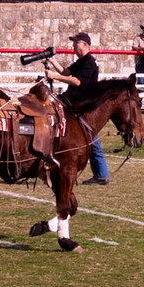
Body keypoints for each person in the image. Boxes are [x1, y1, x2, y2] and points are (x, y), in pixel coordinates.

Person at [45, 32, 106, 185]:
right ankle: (100, 174)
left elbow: (77, 82)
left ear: (85, 45)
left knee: (88, 138)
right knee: (87, 137)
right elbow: (66, 72)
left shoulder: (89, 62)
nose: (73, 45)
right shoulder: (82, 61)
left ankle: (98, 174)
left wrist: (54, 76)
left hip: (81, 105)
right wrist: (52, 60)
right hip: (74, 102)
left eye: (76, 42)